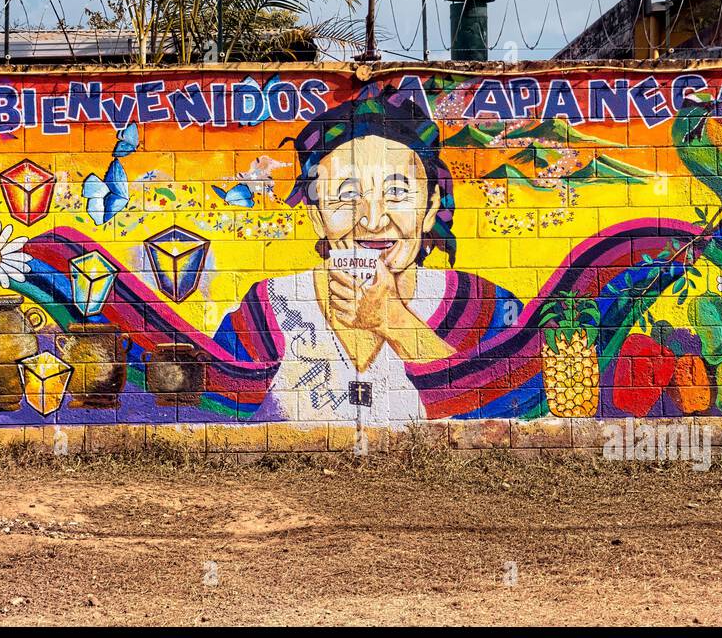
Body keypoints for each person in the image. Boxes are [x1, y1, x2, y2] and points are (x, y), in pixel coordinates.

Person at [212, 85, 535, 423]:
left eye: (397, 191)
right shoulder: (268, 311)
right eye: (347, 194)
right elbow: (210, 412)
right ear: (317, 216)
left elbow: (517, 414)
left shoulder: (484, 309)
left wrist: (396, 323)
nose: (373, 219)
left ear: (429, 208)